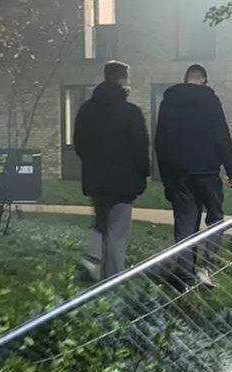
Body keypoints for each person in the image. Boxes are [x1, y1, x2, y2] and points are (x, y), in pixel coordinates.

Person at [155, 64, 232, 289]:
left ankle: (184, 274)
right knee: (215, 219)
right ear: (204, 80)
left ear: (186, 79)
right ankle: (206, 267)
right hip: (208, 172)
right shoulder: (210, 101)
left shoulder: (168, 102)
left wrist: (166, 177)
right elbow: (221, 134)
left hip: (179, 174)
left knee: (185, 222)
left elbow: (160, 141)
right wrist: (231, 170)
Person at [73, 61, 149, 279]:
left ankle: (92, 256)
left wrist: (91, 164)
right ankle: (111, 281)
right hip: (124, 181)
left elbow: (79, 142)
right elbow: (140, 147)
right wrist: (143, 174)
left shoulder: (86, 109)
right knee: (117, 232)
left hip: (96, 179)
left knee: (101, 220)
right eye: (128, 78)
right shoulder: (131, 112)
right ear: (122, 80)